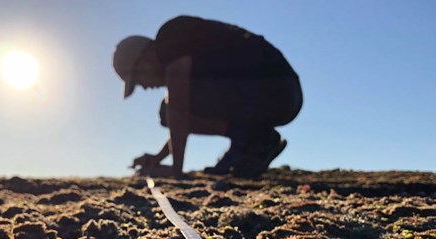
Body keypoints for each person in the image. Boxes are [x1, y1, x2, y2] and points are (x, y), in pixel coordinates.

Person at [113, 15, 303, 178]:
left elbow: (178, 111)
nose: (145, 88)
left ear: (145, 61)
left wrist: (175, 170)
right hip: (281, 94)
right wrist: (158, 158)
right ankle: (256, 140)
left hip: (276, 88)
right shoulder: (182, 50)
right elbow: (178, 116)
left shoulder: (170, 36)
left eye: (138, 81)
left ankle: (252, 140)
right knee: (168, 111)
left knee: (168, 109)